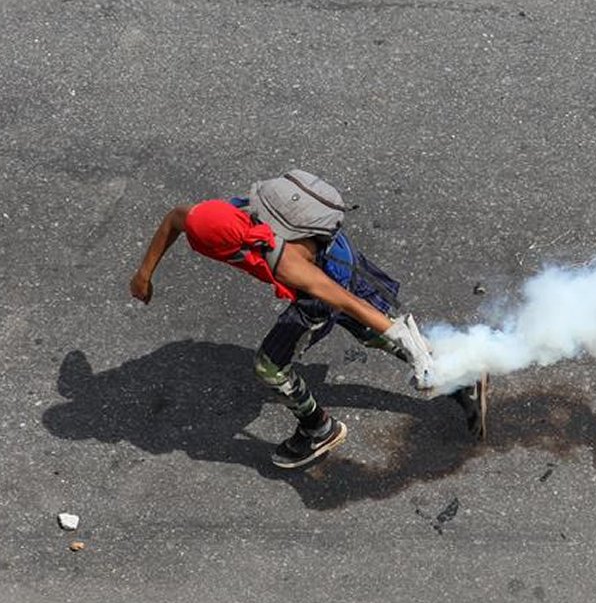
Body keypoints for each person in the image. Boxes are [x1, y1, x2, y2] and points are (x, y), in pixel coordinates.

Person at [129, 170, 443, 468]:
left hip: (326, 277)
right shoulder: (212, 216)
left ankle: (319, 429)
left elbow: (344, 299)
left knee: (271, 367)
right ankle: (453, 365)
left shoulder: (281, 260)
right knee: (360, 327)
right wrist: (144, 274)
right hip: (330, 250)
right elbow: (175, 219)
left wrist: (399, 333)